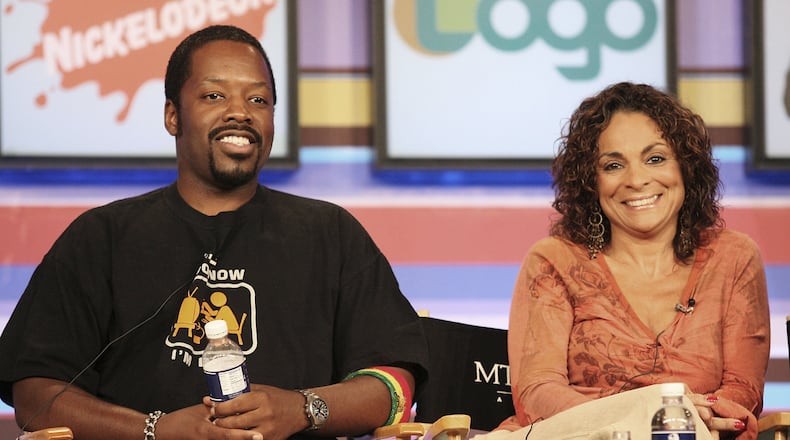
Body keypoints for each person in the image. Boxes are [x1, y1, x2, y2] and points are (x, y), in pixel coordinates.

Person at [0, 25, 428, 440]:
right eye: (214, 95)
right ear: (173, 116)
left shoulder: (330, 232)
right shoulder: (101, 236)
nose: (240, 111)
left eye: (258, 99)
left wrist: (301, 409)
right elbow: (36, 395)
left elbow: (394, 386)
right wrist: (157, 431)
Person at [497, 82, 770, 439]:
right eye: (613, 165)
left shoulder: (734, 258)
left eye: (655, 158)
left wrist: (681, 421)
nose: (637, 179)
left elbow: (742, 390)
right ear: (591, 182)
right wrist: (643, 418)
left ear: (685, 167)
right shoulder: (554, 261)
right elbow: (537, 392)